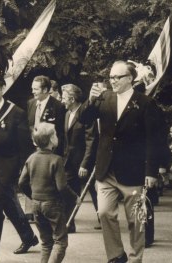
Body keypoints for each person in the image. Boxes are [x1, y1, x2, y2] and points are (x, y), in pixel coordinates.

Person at [79, 61, 159, 263]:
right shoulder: (104, 97)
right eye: (111, 77)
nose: (113, 81)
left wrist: (151, 172)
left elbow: (153, 139)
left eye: (118, 77)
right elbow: (84, 119)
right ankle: (116, 255)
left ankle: (135, 258)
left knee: (135, 220)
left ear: (130, 79)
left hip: (133, 171)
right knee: (104, 212)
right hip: (106, 170)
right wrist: (90, 100)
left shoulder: (145, 103)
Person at [0, 70, 38, 263]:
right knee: (10, 205)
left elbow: (25, 147)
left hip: (9, 170)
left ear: (3, 88)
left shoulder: (16, 113)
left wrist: (23, 174)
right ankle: (29, 237)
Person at [18, 123, 80, 263]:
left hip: (36, 204)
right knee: (60, 241)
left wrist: (33, 196)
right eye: (55, 134)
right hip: (52, 205)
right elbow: (62, 187)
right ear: (52, 140)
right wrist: (75, 198)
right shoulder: (56, 160)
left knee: (46, 243)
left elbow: (21, 183)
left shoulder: (31, 158)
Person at [26, 75, 66, 221]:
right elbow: (29, 125)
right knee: (33, 179)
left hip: (51, 152)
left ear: (46, 90)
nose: (33, 92)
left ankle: (58, 215)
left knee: (51, 184)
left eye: (36, 89)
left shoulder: (58, 106)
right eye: (32, 88)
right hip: (34, 150)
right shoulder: (30, 103)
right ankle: (33, 211)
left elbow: (61, 132)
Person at [61, 84, 98, 233]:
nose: (62, 101)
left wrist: (85, 164)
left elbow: (91, 141)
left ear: (72, 98)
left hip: (84, 161)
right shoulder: (67, 114)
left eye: (64, 98)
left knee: (94, 190)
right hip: (69, 161)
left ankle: (103, 218)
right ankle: (69, 224)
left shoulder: (85, 114)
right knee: (69, 190)